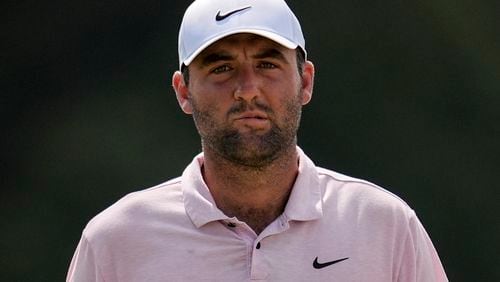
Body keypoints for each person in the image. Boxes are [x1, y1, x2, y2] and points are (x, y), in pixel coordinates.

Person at [67, 0, 448, 281]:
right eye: (221, 68)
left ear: (306, 81)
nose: (247, 90)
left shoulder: (383, 225)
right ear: (183, 91)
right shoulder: (116, 241)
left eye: (268, 65)